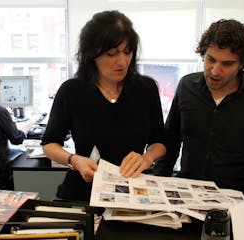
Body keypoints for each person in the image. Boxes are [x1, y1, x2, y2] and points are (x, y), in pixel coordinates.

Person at [153, 19, 244, 198]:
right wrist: (158, 183)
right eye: (211, 59)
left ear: (242, 63)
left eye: (227, 64)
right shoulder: (187, 86)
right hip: (186, 192)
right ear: (203, 54)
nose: (215, 71)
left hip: (238, 197)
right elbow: (171, 140)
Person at [42, 10, 166, 202]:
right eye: (111, 54)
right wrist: (74, 160)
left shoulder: (146, 88)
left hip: (133, 192)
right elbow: (49, 144)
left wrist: (146, 158)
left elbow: (160, 142)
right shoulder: (72, 91)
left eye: (127, 52)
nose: (122, 61)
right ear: (92, 54)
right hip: (83, 191)